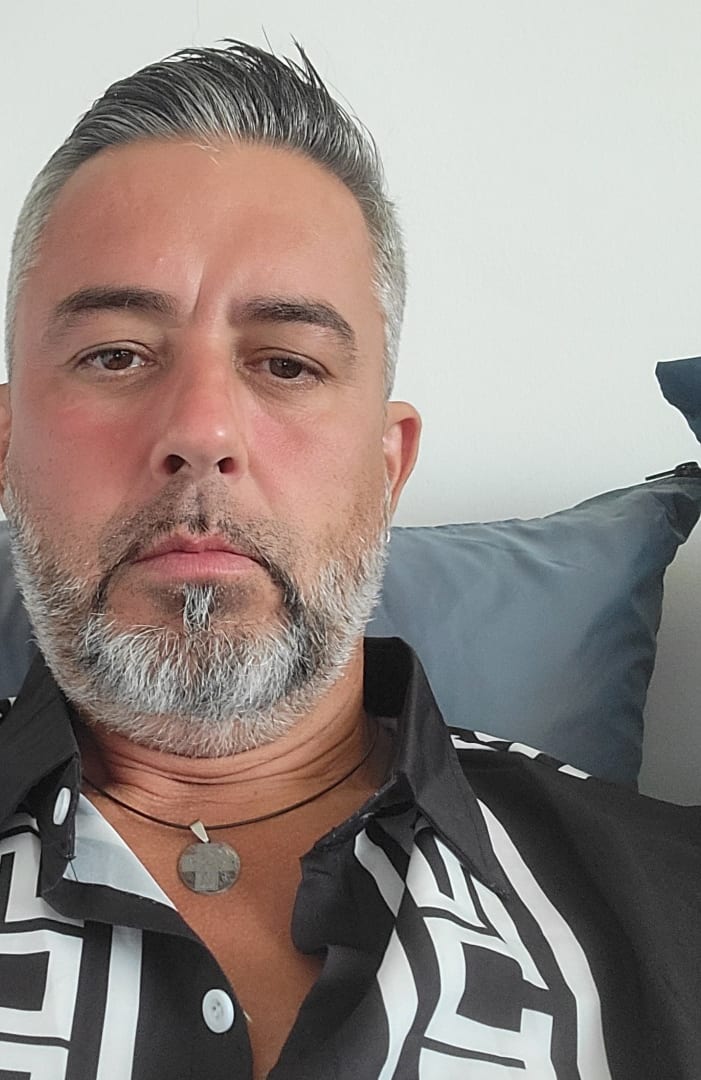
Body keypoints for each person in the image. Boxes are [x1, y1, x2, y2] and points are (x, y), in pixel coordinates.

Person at [0, 39, 698, 1080]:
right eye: (115, 354)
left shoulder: (674, 901)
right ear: (8, 447)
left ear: (387, 465)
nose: (201, 429)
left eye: (286, 363)